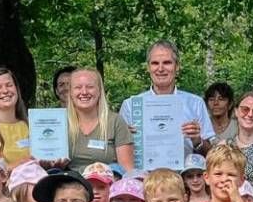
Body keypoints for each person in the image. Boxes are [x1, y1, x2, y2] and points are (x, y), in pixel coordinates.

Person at [118, 41, 212, 173]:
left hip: (184, 179)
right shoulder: (131, 105)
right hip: (143, 179)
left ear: (177, 66)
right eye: (155, 63)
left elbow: (211, 155)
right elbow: (120, 155)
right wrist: (125, 138)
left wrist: (197, 140)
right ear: (148, 67)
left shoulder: (195, 103)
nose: (160, 68)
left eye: (167, 63)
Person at [62, 68, 131, 170]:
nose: (84, 92)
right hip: (67, 179)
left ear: (99, 91)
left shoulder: (115, 122)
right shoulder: (60, 122)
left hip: (106, 179)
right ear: (70, 93)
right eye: (78, 87)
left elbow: (127, 170)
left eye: (90, 87)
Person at [204, 82, 239, 146]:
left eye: (221, 99)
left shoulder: (238, 127)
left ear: (230, 104)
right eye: (211, 99)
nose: (215, 103)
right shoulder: (202, 126)